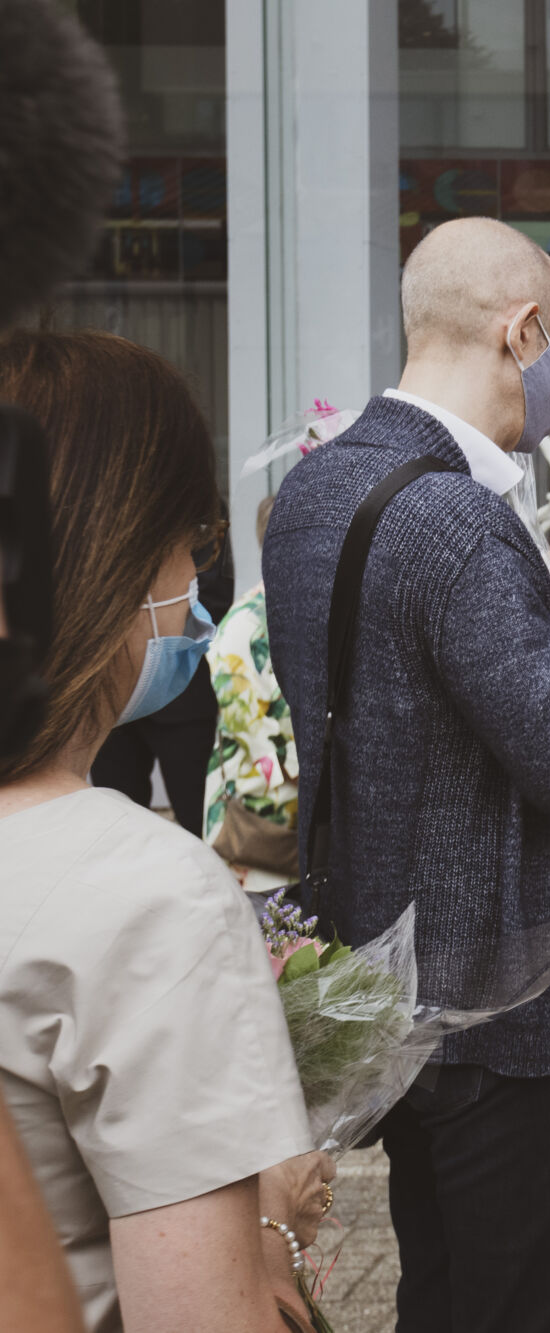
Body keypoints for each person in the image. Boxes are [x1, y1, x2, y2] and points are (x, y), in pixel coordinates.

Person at [263, 216, 550, 1332]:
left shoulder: (319, 489)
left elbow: (395, 651)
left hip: (390, 1001)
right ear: (520, 331)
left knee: (438, 1293)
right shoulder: (461, 520)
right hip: (510, 1017)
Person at [0, 328, 336, 1333]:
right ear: (115, 551)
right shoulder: (147, 893)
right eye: (194, 540)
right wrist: (267, 1221)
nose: (197, 578)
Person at [89, 539, 230, 833]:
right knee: (116, 824)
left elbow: (214, 588)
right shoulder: (89, 504)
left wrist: (165, 638)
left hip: (182, 695)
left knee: (198, 818)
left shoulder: (185, 503)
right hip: (109, 694)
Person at [203, 497, 300, 886]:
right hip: (259, 814)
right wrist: (302, 767)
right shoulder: (244, 624)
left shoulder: (302, 610)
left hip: (298, 808)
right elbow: (245, 721)